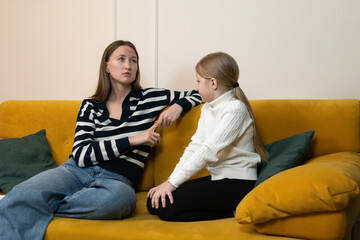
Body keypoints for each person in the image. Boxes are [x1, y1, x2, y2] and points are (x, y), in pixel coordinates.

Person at [0, 40, 201, 239]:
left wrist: (178, 106)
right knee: (21, 192)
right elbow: (81, 154)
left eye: (133, 60)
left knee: (122, 201)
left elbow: (201, 92)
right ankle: (35, 204)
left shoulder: (151, 98)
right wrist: (133, 140)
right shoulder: (91, 105)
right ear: (106, 66)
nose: (128, 65)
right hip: (74, 171)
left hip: (116, 181)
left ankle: (40, 205)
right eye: (121, 59)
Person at [147, 52, 268, 221]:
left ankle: (234, 210)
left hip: (239, 182)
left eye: (198, 81)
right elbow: (195, 147)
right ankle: (228, 209)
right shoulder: (207, 108)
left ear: (213, 83)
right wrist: (170, 182)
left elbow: (208, 150)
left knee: (167, 208)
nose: (196, 86)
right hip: (218, 178)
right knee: (153, 203)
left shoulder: (235, 109)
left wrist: (172, 184)